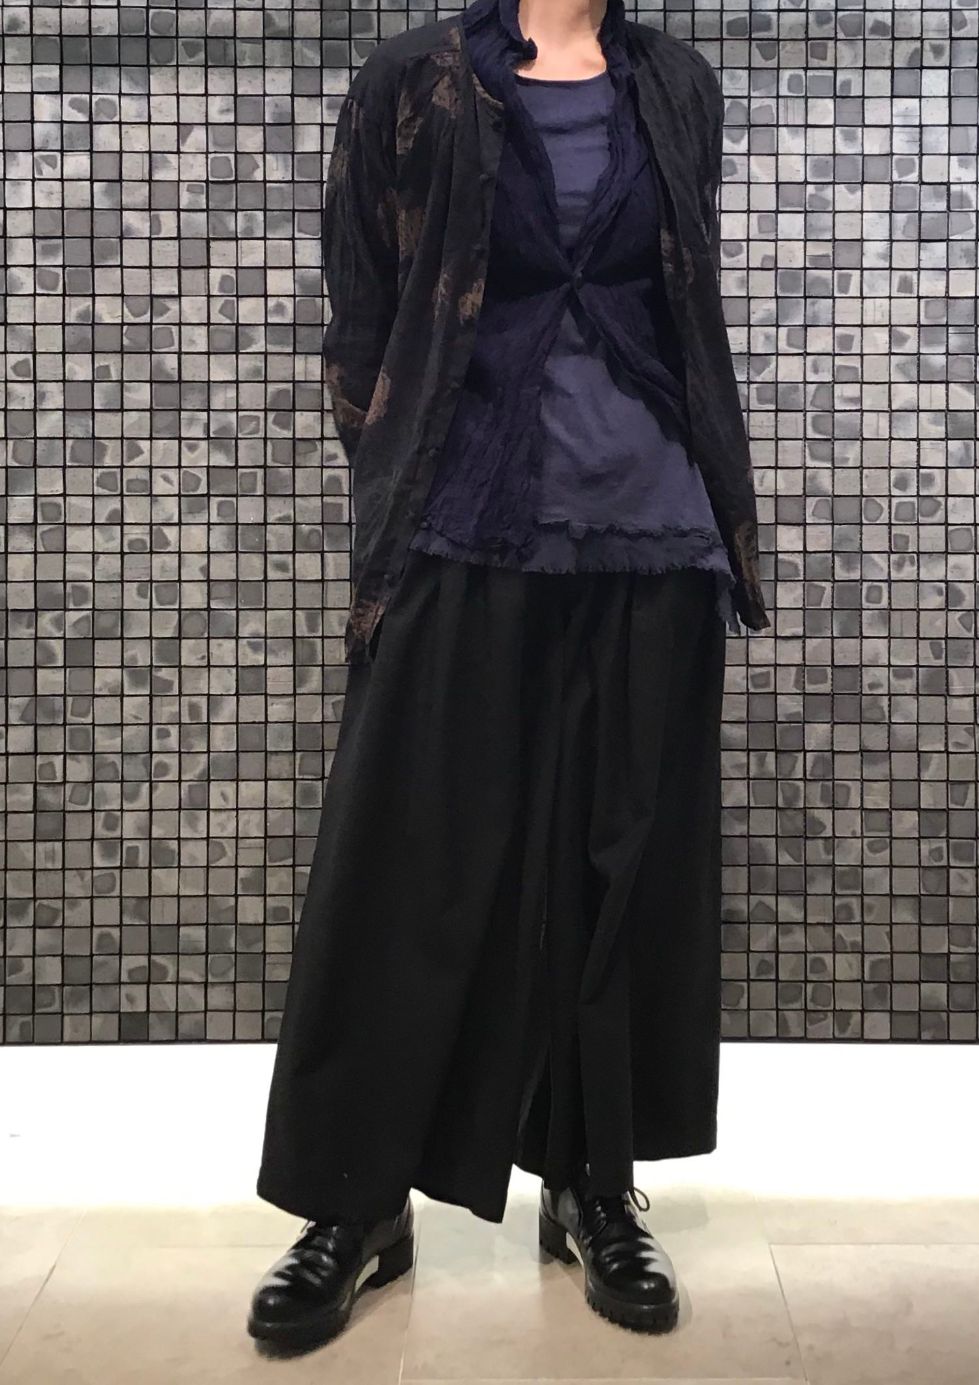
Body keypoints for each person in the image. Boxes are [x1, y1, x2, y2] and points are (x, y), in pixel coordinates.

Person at [246, 0, 768, 1352]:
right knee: (405, 862)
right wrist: (397, 482)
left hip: (653, 524)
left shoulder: (675, 84)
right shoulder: (415, 81)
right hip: (461, 520)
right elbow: (363, 312)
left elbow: (679, 298)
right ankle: (355, 1203)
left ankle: (593, 1182)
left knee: (619, 870)